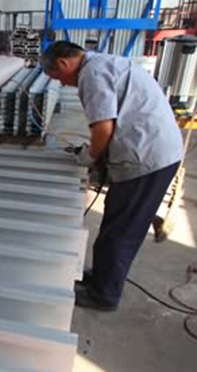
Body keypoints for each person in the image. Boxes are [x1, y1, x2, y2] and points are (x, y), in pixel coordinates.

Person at [42, 41, 183, 311]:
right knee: (115, 223)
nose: (63, 84)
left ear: (63, 63)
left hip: (148, 159)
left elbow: (103, 129)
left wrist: (89, 156)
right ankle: (102, 279)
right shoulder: (103, 63)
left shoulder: (91, 75)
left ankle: (103, 295)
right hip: (154, 149)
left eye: (58, 78)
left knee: (120, 231)